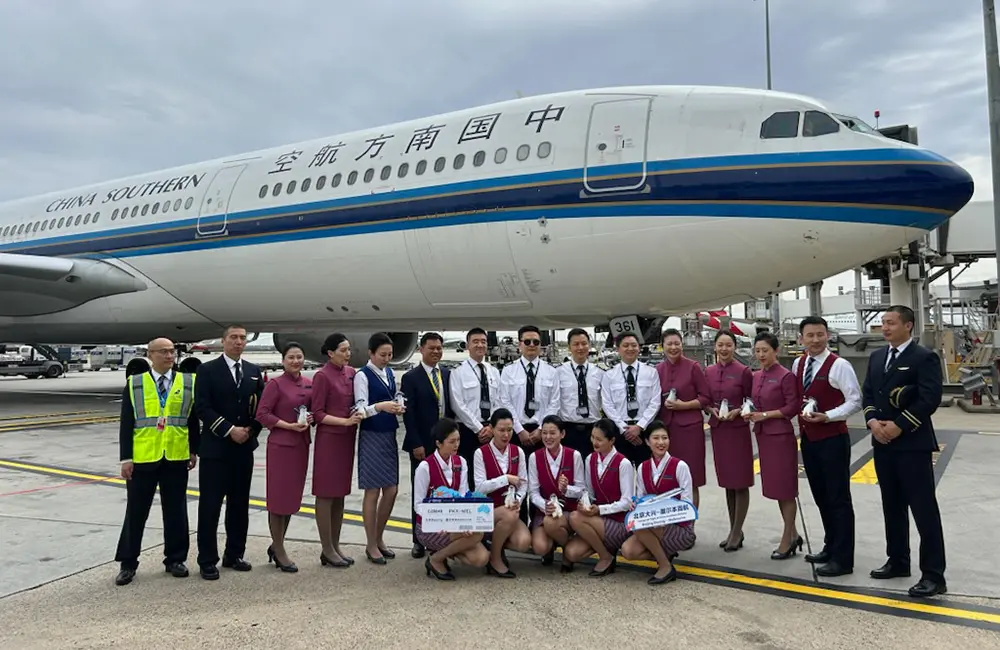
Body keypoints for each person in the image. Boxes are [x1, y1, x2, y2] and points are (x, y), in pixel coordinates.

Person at [862, 305, 946, 598]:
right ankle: (898, 560)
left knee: (923, 510)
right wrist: (873, 422)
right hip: (883, 443)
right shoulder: (877, 357)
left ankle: (934, 575)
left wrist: (899, 425)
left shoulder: (923, 357)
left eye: (891, 323)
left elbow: (930, 398)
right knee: (892, 505)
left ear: (908, 325)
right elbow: (869, 394)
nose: (885, 328)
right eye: (883, 323)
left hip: (912, 444)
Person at [114, 338, 199, 586]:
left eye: (172, 351)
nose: (169, 355)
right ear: (150, 355)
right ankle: (128, 563)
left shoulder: (187, 381)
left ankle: (175, 559)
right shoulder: (135, 383)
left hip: (175, 455)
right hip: (143, 457)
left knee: (176, 511)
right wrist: (126, 458)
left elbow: (192, 419)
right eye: (163, 352)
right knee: (136, 512)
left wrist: (193, 450)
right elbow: (126, 422)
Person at [194, 325, 266, 580]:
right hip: (216, 449)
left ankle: (234, 554)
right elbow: (202, 407)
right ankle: (207, 560)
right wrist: (229, 430)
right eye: (233, 337)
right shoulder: (207, 370)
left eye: (242, 338)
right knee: (210, 506)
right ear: (223, 341)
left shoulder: (253, 371)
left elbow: (262, 406)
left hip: (243, 448)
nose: (238, 342)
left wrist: (251, 429)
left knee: (239, 505)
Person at [793, 316, 862, 577]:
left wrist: (829, 416)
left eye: (820, 334)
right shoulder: (799, 363)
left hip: (833, 438)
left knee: (838, 499)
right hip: (809, 439)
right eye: (810, 335)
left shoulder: (840, 365)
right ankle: (830, 546)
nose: (815, 340)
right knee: (821, 496)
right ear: (801, 338)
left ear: (828, 335)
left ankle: (843, 559)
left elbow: (855, 401)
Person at [255, 341, 313, 573]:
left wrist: (310, 419)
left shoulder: (308, 383)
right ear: (283, 361)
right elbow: (262, 414)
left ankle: (276, 544)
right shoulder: (276, 384)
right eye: (291, 357)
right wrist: (287, 426)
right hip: (281, 446)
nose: (295, 361)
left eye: (299, 357)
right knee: (278, 499)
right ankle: (279, 549)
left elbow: (312, 411)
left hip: (301, 445)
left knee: (290, 499)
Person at [745, 332, 803, 560]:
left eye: (765, 351)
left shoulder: (785, 376)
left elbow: (792, 407)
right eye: (757, 351)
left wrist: (765, 415)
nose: (761, 355)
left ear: (776, 351)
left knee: (786, 490)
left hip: (780, 437)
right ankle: (794, 534)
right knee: (777, 490)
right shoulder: (757, 375)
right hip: (764, 437)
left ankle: (787, 539)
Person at [413, 418, 490, 580]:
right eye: (452, 441)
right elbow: (418, 505)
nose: (456, 445)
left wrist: (464, 522)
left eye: (458, 440)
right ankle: (436, 560)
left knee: (481, 558)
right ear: (438, 443)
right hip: (430, 526)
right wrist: (439, 520)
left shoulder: (461, 462)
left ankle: (439, 555)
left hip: (454, 521)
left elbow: (463, 495)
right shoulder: (425, 467)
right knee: (477, 535)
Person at [311, 333, 364, 568]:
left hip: (346, 439)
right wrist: (344, 421)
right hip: (330, 439)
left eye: (349, 349)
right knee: (325, 494)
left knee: (340, 494)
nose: (348, 354)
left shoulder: (351, 373)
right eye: (343, 350)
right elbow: (318, 413)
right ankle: (326, 548)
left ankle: (335, 545)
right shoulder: (322, 376)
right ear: (330, 353)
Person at [621, 421, 696, 585]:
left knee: (639, 525)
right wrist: (635, 505)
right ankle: (665, 554)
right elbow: (640, 498)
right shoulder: (642, 468)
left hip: (678, 527)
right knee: (628, 551)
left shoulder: (680, 466)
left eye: (664, 438)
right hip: (650, 525)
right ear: (647, 442)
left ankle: (664, 566)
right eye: (656, 438)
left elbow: (687, 503)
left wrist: (663, 518)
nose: (661, 442)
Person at [353, 332, 406, 565]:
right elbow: (360, 410)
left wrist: (397, 405)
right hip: (372, 434)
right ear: (371, 353)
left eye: (390, 355)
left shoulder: (389, 372)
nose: (386, 359)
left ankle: (379, 536)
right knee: (373, 491)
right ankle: (371, 543)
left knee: (392, 490)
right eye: (382, 355)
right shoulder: (362, 376)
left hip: (389, 434)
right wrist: (381, 407)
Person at [401, 332, 454, 558]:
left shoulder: (447, 374)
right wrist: (416, 443)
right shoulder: (411, 378)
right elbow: (409, 414)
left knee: (445, 490)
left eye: (439, 348)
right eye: (431, 348)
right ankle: (418, 540)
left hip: (445, 444)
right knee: (421, 492)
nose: (436, 351)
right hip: (422, 443)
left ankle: (443, 537)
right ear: (421, 349)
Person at [563, 419, 635, 577]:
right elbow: (589, 493)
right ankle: (607, 549)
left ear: (612, 440)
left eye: (599, 439)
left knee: (575, 517)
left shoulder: (623, 463)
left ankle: (605, 557)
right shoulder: (591, 459)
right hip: (598, 518)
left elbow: (627, 502)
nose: (594, 442)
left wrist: (600, 510)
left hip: (618, 521)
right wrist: (581, 501)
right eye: (593, 437)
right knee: (571, 553)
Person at [704, 330, 755, 552]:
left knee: (740, 481)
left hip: (737, 430)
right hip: (719, 430)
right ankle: (735, 529)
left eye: (728, 345)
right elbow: (705, 399)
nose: (724, 349)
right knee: (727, 482)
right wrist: (710, 409)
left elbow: (752, 400)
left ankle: (736, 530)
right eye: (720, 345)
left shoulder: (744, 372)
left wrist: (739, 411)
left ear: (734, 347)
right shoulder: (708, 371)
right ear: (715, 347)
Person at [655, 328, 711, 509]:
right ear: (662, 346)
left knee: (691, 478)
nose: (673, 347)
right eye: (669, 344)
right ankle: (672, 520)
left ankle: (690, 521)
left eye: (676, 343)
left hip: (690, 430)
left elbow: (705, 397)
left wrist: (684, 405)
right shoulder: (658, 370)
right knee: (668, 478)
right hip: (666, 430)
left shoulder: (693, 367)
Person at [472, 408, 531, 577]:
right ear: (491, 429)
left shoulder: (518, 451)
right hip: (487, 510)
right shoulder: (480, 453)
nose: (506, 435)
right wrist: (505, 479)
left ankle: (493, 542)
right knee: (509, 515)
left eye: (510, 430)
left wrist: (518, 499)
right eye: (501, 430)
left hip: (510, 510)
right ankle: (495, 558)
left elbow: (523, 484)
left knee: (523, 542)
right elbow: (480, 488)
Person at [527, 415, 585, 572]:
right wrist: (544, 505)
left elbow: (581, 490)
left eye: (552, 433)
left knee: (551, 523)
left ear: (562, 434)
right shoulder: (534, 457)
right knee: (540, 547)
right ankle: (555, 546)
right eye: (544, 433)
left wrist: (567, 489)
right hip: (545, 511)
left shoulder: (574, 455)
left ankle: (567, 552)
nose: (548, 437)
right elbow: (533, 492)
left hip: (568, 511)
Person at [499, 325, 560, 456]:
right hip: (516, 432)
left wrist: (541, 429)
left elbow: (555, 403)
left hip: (543, 433)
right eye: (527, 342)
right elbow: (504, 401)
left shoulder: (551, 371)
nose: (532, 345)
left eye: (536, 342)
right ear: (520, 344)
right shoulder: (508, 371)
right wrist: (519, 430)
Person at [600, 333, 661, 465]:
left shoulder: (651, 372)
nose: (630, 349)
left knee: (646, 472)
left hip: (644, 431)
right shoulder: (609, 375)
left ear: (639, 348)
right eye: (625, 345)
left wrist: (639, 426)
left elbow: (655, 402)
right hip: (620, 433)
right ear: (618, 349)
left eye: (634, 345)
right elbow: (607, 405)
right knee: (620, 472)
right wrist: (624, 429)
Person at [449, 327, 502, 480]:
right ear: (467, 346)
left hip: (491, 430)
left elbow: (499, 401)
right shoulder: (458, 372)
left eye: (483, 342)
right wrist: (479, 429)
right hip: (469, 431)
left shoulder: (493, 371)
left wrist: (491, 427)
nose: (480, 345)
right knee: (469, 475)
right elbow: (457, 404)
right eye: (475, 342)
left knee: (491, 473)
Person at [555, 328, 604, 454]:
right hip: (568, 429)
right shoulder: (558, 372)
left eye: (584, 343)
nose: (580, 348)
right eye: (576, 344)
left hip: (593, 429)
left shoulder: (600, 372)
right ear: (569, 347)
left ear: (589, 345)